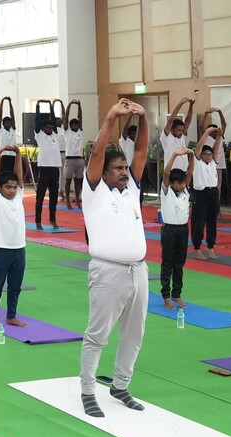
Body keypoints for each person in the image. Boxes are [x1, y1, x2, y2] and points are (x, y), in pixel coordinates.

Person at [78, 98, 150, 418]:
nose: (124, 172)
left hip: (138, 271)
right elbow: (96, 153)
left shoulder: (131, 189)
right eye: (118, 169)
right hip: (108, 271)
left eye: (125, 168)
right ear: (104, 173)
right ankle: (87, 389)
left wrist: (144, 117)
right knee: (99, 334)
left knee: (134, 333)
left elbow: (142, 152)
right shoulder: (94, 193)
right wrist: (109, 118)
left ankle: (121, 385)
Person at [0, 143, 27, 330]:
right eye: (7, 187)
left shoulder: (19, 196)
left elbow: (19, 175)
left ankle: (11, 315)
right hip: (2, 248)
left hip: (19, 248)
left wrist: (18, 153)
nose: (12, 189)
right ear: (0, 188)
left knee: (15, 285)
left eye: (13, 187)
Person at [159, 147, 194, 310]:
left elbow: (190, 171)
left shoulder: (185, 190)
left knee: (179, 263)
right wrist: (173, 155)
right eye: (179, 183)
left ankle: (177, 294)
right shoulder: (167, 191)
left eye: (183, 182)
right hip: (169, 230)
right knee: (168, 263)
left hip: (182, 229)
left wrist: (192, 156)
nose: (182, 185)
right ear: (172, 183)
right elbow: (166, 174)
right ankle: (166, 295)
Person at [191, 126, 223, 259]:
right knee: (199, 221)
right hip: (201, 193)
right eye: (206, 154)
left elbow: (216, 148)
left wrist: (220, 135)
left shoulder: (212, 163)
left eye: (210, 155)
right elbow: (199, 146)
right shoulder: (198, 163)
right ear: (201, 155)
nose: (209, 156)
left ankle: (210, 246)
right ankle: (197, 247)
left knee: (212, 221)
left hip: (213, 193)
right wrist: (207, 132)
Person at [34, 100, 62, 230]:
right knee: (40, 196)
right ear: (43, 128)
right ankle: (38, 221)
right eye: (48, 128)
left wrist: (51, 107)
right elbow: (37, 120)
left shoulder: (55, 134)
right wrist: (38, 106)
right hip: (44, 168)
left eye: (51, 127)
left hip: (55, 169)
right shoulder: (39, 134)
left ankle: (53, 220)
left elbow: (53, 119)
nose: (50, 129)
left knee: (54, 197)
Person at [62, 100, 86, 209]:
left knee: (78, 180)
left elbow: (80, 117)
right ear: (70, 126)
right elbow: (65, 118)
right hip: (70, 159)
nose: (76, 126)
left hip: (79, 159)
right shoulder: (67, 132)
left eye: (77, 124)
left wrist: (80, 106)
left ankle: (77, 200)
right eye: (74, 125)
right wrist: (69, 105)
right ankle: (67, 201)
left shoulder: (79, 131)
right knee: (68, 180)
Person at [161, 97, 194, 173]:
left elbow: (188, 121)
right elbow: (170, 120)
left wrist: (191, 106)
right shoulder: (166, 137)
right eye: (179, 130)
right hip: (171, 170)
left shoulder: (182, 136)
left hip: (184, 169)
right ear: (171, 129)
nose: (182, 132)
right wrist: (180, 104)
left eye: (182, 130)